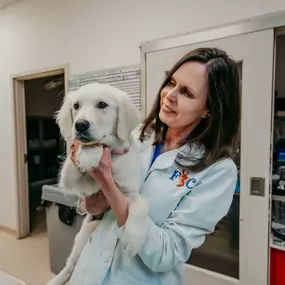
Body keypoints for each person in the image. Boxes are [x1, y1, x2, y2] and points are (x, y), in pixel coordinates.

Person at [69, 47, 240, 285]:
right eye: (171, 82)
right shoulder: (133, 136)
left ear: (209, 109)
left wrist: (107, 183)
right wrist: (89, 203)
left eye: (187, 92)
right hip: (88, 272)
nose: (169, 95)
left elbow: (165, 254)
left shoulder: (218, 171)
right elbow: (89, 203)